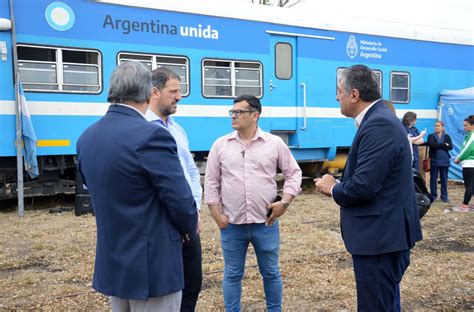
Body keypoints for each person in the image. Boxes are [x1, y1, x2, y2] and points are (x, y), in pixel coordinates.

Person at [76, 62, 198, 311]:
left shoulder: (87, 137)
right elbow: (180, 199)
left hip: (114, 261)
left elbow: (92, 187)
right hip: (153, 265)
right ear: (148, 92)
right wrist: (189, 229)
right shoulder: (152, 135)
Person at [315, 65, 422, 311]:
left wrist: (332, 188)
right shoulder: (379, 120)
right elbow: (374, 180)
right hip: (383, 237)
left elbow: (364, 186)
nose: (336, 97)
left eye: (339, 91)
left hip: (380, 240)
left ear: (354, 95)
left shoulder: (379, 124)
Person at [205, 94, 302, 311]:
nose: (234, 116)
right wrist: (216, 214)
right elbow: (211, 181)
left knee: (270, 272)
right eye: (233, 112)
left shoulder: (274, 144)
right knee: (232, 274)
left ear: (255, 115)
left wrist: (284, 203)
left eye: (239, 112)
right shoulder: (220, 145)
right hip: (231, 225)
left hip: (265, 223)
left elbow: (294, 173)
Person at [145, 67, 203, 312]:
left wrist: (195, 210)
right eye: (174, 91)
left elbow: (191, 172)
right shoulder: (144, 128)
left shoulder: (177, 129)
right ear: (154, 92)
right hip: (164, 223)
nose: (179, 96)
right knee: (167, 289)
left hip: (189, 220)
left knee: (192, 284)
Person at [427, 121, 453, 202]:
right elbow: (432, 145)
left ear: (442, 127)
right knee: (433, 179)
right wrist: (444, 144)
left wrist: (439, 145)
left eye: (438, 126)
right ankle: (433, 195)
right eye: (435, 126)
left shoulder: (447, 136)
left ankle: (444, 196)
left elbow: (450, 147)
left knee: (444, 179)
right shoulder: (431, 136)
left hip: (445, 161)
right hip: (434, 161)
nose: (436, 127)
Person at [454, 115, 474, 212]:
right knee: (472, 185)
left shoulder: (472, 135)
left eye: (466, 125)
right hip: (471, 163)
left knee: (468, 185)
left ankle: (464, 205)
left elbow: (467, 148)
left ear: (472, 125)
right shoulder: (469, 135)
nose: (464, 127)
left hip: (469, 163)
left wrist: (459, 157)